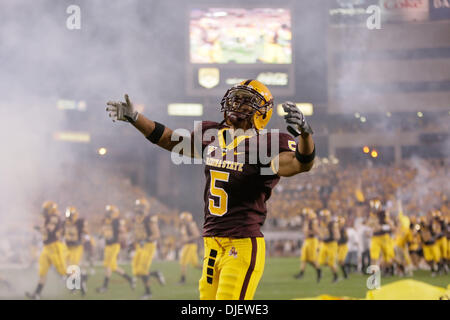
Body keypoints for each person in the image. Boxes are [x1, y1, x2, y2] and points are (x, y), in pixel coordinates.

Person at [106, 79, 315, 300]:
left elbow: (301, 163)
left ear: (261, 112)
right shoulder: (213, 134)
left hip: (242, 242)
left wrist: (305, 134)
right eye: (235, 99)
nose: (236, 105)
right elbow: (169, 140)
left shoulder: (267, 145)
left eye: (245, 103)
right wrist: (136, 118)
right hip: (212, 241)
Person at [26, 201, 67, 300]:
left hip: (54, 246)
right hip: (47, 247)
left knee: (62, 271)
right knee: (42, 271)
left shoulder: (53, 217)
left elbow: (49, 230)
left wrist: (37, 228)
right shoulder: (49, 218)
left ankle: (80, 278)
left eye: (46, 209)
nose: (44, 211)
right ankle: (37, 294)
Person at [131, 198, 165, 299]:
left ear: (145, 207)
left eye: (140, 206)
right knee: (136, 271)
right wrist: (133, 243)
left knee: (142, 269)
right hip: (139, 246)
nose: (138, 208)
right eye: (137, 206)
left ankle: (148, 292)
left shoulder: (149, 218)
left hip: (148, 245)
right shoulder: (136, 218)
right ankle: (155, 274)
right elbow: (137, 233)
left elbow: (156, 234)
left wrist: (145, 240)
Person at [96, 205, 135, 293]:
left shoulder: (117, 221)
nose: (108, 213)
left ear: (114, 213)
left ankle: (105, 286)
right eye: (108, 212)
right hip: (107, 245)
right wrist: (101, 234)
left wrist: (124, 240)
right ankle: (130, 279)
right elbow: (103, 230)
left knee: (108, 266)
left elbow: (123, 231)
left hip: (114, 245)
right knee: (112, 266)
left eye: (110, 212)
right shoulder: (106, 221)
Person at [63, 206, 89, 295]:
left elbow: (86, 232)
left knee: (73, 267)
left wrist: (84, 238)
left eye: (70, 215)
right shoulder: (65, 223)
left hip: (76, 247)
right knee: (66, 268)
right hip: (68, 247)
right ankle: (82, 283)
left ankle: (75, 286)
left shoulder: (79, 223)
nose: (68, 217)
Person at [293, 208, 321, 282]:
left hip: (312, 241)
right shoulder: (307, 221)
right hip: (307, 240)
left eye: (306, 214)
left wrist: (309, 232)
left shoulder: (314, 221)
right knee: (304, 258)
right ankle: (301, 273)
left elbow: (317, 232)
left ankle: (319, 271)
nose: (305, 216)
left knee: (312, 259)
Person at [178, 211, 201, 284]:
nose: (182, 220)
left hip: (191, 245)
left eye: (184, 219)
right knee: (195, 264)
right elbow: (184, 237)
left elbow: (197, 234)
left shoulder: (190, 225)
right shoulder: (183, 226)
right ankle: (208, 272)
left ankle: (183, 279)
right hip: (187, 245)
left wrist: (187, 239)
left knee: (183, 262)